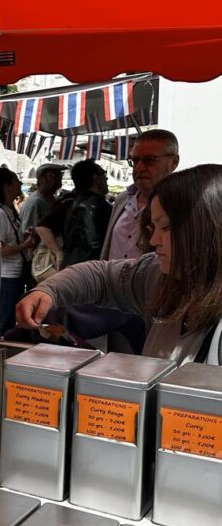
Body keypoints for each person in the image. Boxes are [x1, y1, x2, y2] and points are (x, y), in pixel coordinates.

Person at [17, 164, 222, 365]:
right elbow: (102, 276)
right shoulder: (155, 276)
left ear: (207, 228)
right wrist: (49, 290)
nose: (153, 240)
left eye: (166, 227)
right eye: (154, 228)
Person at [102, 129, 179, 260]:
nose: (139, 168)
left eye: (149, 160)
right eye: (135, 161)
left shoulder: (181, 203)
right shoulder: (123, 199)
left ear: (173, 162)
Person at [0, 166, 33, 334]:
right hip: (6, 276)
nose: (20, 184)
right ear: (7, 186)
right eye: (17, 181)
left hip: (13, 275)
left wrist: (22, 239)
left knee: (9, 320)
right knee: (3, 321)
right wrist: (24, 246)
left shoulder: (8, 211)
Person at [35, 161, 111, 270]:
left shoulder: (68, 201)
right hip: (92, 270)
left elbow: (42, 226)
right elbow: (94, 245)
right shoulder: (99, 205)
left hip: (70, 267)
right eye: (104, 173)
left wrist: (59, 253)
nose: (106, 178)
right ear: (96, 178)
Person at [20, 163, 66, 232]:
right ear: (41, 180)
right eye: (53, 175)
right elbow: (28, 233)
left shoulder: (53, 200)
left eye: (60, 174)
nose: (59, 178)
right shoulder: (35, 203)